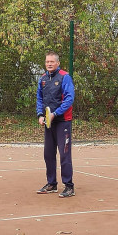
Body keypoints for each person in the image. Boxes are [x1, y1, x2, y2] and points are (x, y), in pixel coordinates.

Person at [36, 51, 75, 198]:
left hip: (62, 121)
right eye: (47, 62)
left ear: (58, 63)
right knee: (48, 154)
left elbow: (69, 100)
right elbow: (39, 98)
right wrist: (41, 115)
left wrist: (54, 114)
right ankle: (51, 184)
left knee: (64, 155)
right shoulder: (43, 79)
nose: (49, 64)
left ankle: (69, 186)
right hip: (49, 123)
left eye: (52, 62)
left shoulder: (65, 77)